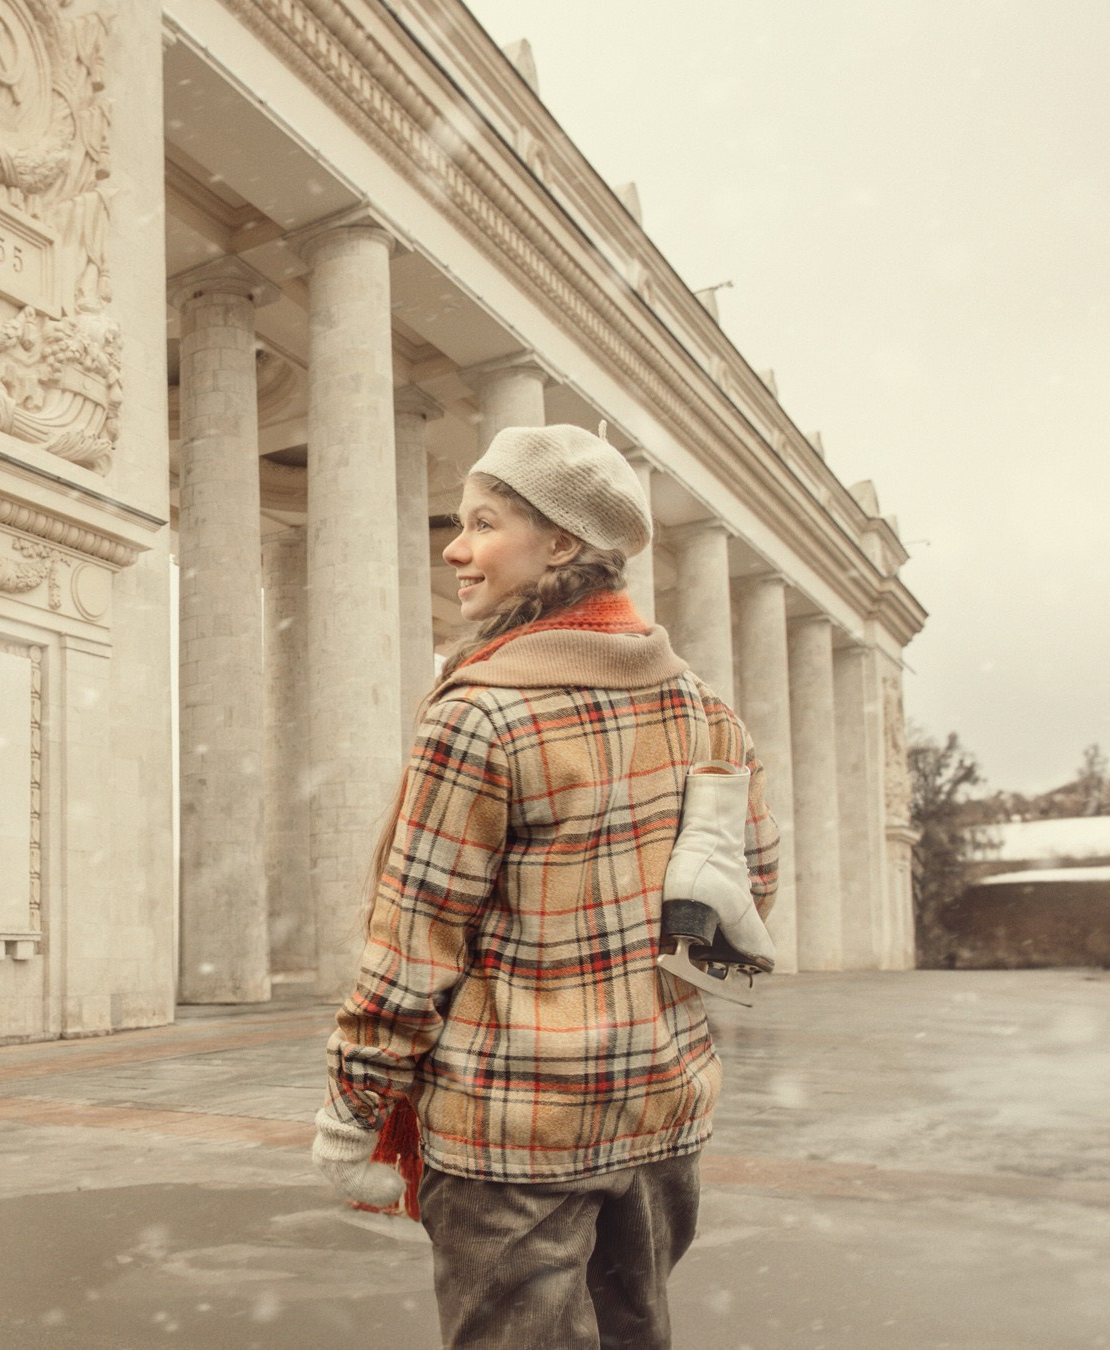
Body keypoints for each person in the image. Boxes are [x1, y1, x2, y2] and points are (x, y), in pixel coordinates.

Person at [312, 425, 778, 1350]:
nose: (455, 549)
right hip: (661, 1112)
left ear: (561, 543)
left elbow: (417, 938)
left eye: (484, 523)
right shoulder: (706, 712)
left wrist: (355, 1106)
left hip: (512, 1133)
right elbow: (745, 891)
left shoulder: (483, 714)